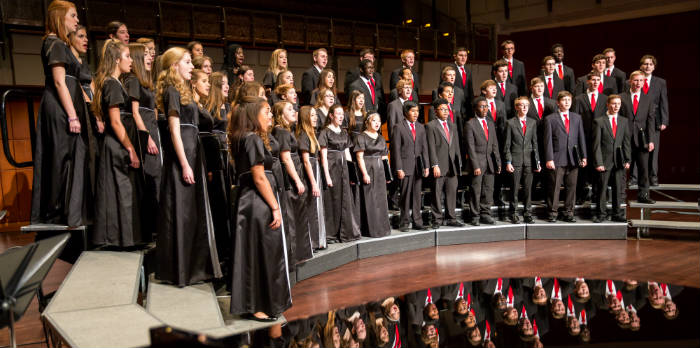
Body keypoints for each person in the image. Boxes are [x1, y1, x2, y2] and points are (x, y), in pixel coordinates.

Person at [155, 47, 221, 286]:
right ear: (174, 66)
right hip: (183, 158)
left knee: (194, 213)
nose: (191, 66)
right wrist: (184, 164)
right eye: (187, 62)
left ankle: (195, 267)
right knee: (182, 214)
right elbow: (174, 130)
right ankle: (181, 271)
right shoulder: (172, 91)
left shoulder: (183, 91)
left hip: (194, 155)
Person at [32, 0, 97, 227]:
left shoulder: (60, 43)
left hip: (66, 106)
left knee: (68, 158)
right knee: (60, 158)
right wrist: (72, 115)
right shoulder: (54, 43)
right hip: (59, 108)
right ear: (60, 17)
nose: (77, 20)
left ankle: (68, 212)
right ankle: (54, 213)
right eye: (73, 15)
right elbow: (59, 82)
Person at [229, 96, 291, 325]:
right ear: (254, 114)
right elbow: (259, 176)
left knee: (252, 254)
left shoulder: (240, 137)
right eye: (267, 111)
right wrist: (275, 207)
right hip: (258, 203)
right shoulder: (253, 138)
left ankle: (253, 305)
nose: (270, 116)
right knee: (265, 254)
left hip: (248, 202)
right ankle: (259, 307)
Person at [90, 40, 145, 247]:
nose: (131, 60)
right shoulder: (112, 84)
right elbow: (114, 121)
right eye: (128, 56)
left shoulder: (113, 82)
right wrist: (131, 148)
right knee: (121, 191)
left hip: (116, 143)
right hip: (117, 144)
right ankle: (119, 239)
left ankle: (122, 238)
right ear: (116, 59)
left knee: (120, 191)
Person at [123, 43, 160, 236]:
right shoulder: (134, 80)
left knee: (156, 177)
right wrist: (148, 138)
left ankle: (155, 226)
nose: (149, 57)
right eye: (145, 54)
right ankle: (148, 228)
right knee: (149, 176)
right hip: (144, 131)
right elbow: (135, 113)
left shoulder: (147, 82)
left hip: (152, 129)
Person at [272, 101, 313, 264]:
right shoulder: (281, 131)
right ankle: (293, 254)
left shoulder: (287, 130)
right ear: (280, 115)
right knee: (292, 214)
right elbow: (286, 158)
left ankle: (299, 254)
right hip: (290, 177)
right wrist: (297, 180)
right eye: (289, 109)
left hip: (295, 173)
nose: (294, 111)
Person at [543, 91, 587, 223]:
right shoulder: (550, 119)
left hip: (573, 158)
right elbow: (548, 141)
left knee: (571, 187)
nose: (567, 102)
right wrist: (549, 158)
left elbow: (581, 138)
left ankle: (568, 212)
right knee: (554, 187)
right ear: (558, 102)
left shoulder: (576, 118)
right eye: (564, 100)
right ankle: (553, 212)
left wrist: (584, 156)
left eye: (569, 100)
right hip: (557, 158)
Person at [319, 104, 360, 243]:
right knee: (333, 200)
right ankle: (332, 234)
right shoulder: (325, 132)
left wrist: (352, 174)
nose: (341, 116)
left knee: (345, 198)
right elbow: (323, 156)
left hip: (344, 169)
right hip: (332, 168)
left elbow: (348, 153)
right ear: (331, 115)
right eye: (338, 114)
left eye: (342, 114)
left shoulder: (343, 132)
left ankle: (346, 231)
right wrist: (327, 176)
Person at [204, 71, 231, 262]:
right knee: (218, 202)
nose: (227, 87)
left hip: (227, 155)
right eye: (223, 84)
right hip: (215, 155)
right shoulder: (209, 108)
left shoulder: (227, 106)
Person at [391, 101, 429, 231]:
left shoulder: (420, 127)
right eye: (413, 111)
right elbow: (395, 149)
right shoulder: (398, 127)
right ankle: (404, 222)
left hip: (418, 167)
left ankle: (417, 222)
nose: (416, 114)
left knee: (417, 195)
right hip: (405, 166)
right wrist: (398, 168)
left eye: (417, 111)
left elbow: (424, 148)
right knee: (405, 195)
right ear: (406, 112)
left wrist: (426, 166)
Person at [619, 71, 656, 203]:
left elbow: (651, 121)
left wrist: (651, 140)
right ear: (630, 81)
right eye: (635, 80)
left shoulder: (648, 99)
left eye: (641, 80)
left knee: (643, 169)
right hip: (625, 139)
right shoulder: (621, 97)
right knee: (622, 170)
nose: (638, 83)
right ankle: (621, 197)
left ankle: (643, 195)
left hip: (642, 140)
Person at [427, 98, 463, 228]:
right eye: (442, 109)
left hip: (452, 165)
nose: (446, 112)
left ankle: (451, 218)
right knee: (436, 193)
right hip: (439, 165)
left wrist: (458, 162)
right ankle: (437, 219)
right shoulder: (431, 126)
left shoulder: (452, 125)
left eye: (447, 109)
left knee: (451, 192)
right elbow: (430, 147)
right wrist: (434, 165)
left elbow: (456, 146)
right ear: (436, 112)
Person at [465, 98, 500, 226]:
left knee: (488, 190)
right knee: (476, 190)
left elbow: (495, 144)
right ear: (475, 109)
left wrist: (498, 162)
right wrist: (475, 165)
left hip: (490, 163)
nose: (485, 109)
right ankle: (475, 215)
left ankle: (486, 214)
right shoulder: (470, 124)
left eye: (486, 106)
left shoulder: (490, 123)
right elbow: (470, 147)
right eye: (482, 107)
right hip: (477, 163)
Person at [355, 113, 391, 237]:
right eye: (374, 120)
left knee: (381, 199)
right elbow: (359, 157)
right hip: (368, 167)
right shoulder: (361, 137)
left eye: (379, 121)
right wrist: (364, 174)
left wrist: (388, 174)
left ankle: (382, 228)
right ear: (367, 122)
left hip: (380, 169)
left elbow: (385, 157)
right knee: (369, 198)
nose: (377, 123)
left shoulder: (381, 137)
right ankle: (371, 229)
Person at [574, 72, 608, 205]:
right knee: (582, 168)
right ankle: (581, 195)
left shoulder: (605, 99)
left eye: (598, 80)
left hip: (599, 139)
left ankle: (596, 194)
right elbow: (575, 119)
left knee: (597, 168)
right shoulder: (579, 99)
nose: (595, 82)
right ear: (588, 81)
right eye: (593, 80)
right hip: (583, 137)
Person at [504, 97, 539, 224]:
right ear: (516, 107)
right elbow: (507, 145)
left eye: (526, 105)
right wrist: (508, 162)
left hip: (529, 161)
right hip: (515, 160)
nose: (524, 108)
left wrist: (537, 161)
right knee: (514, 189)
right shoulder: (510, 123)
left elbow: (535, 143)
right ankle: (513, 213)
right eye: (521, 105)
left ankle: (527, 213)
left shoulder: (532, 122)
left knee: (528, 189)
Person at [297, 106, 327, 250]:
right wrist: (314, 183)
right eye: (312, 115)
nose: (316, 118)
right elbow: (306, 161)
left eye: (316, 115)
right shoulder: (303, 135)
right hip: (310, 173)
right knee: (311, 207)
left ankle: (319, 240)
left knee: (317, 205)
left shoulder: (312, 133)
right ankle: (312, 242)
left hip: (316, 170)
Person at [639, 54, 668, 186]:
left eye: (650, 64)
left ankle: (653, 177)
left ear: (654, 67)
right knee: (638, 149)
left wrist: (664, 120)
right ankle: (635, 177)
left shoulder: (660, 82)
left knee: (653, 150)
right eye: (645, 64)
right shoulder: (635, 80)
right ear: (641, 66)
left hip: (655, 120)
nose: (648, 66)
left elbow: (664, 102)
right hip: (638, 119)